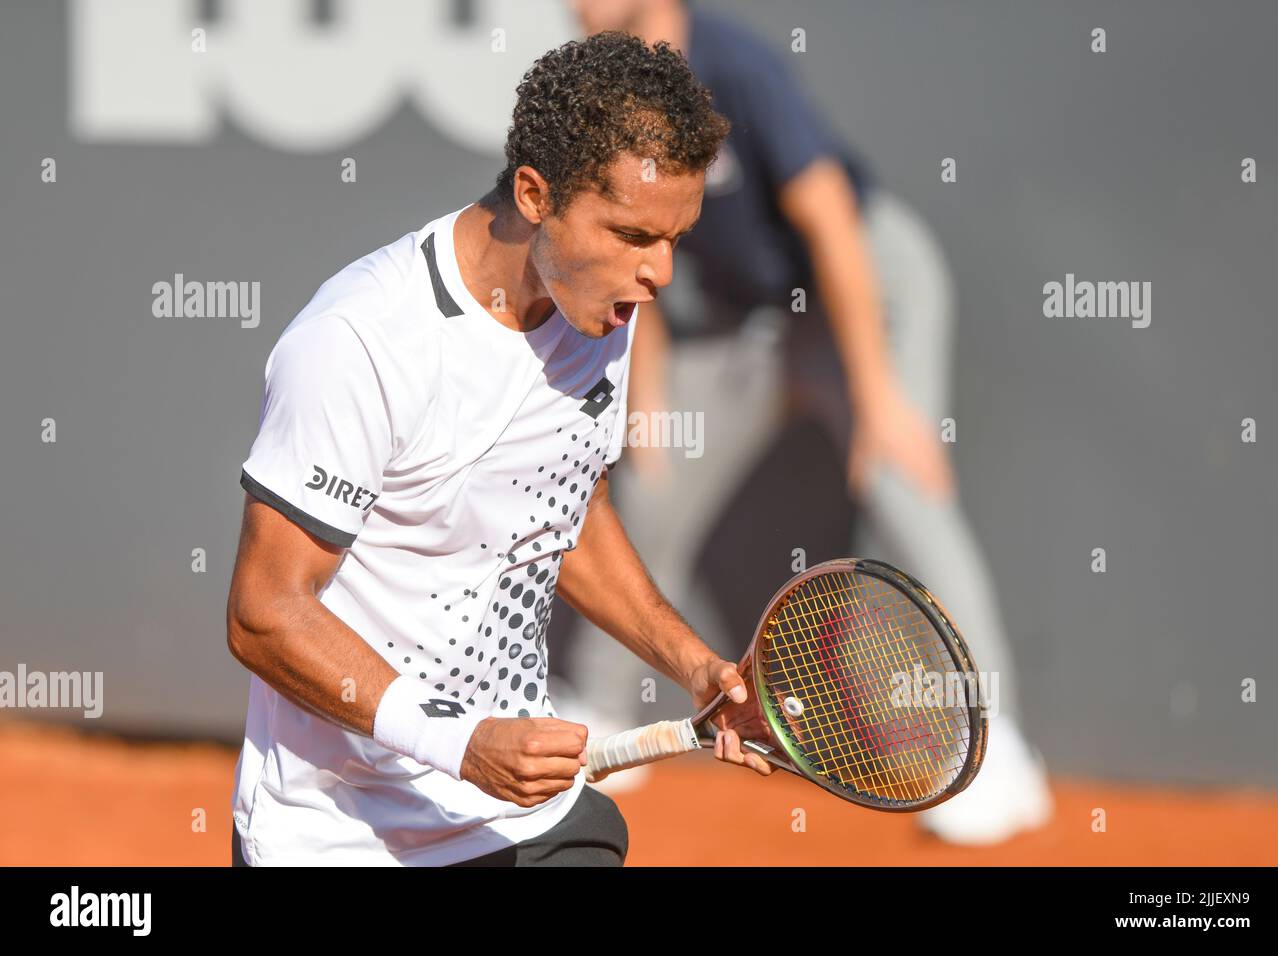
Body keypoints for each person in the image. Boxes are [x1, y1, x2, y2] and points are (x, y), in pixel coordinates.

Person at [226, 31, 773, 867]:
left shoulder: (601, 309)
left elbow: (563, 505)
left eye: (675, 238)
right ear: (533, 194)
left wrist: (694, 665)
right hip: (336, 835)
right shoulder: (362, 340)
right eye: (631, 235)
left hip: (511, 822)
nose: (660, 272)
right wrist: (462, 743)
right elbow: (266, 612)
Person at [563, 0, 1052, 845]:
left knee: (902, 483)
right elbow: (635, 249)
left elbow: (829, 219)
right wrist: (647, 405)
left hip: (864, 290)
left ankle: (992, 747)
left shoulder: (735, 64)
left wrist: (878, 397)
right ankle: (603, 723)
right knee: (651, 481)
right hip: (753, 326)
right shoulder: (607, 93)